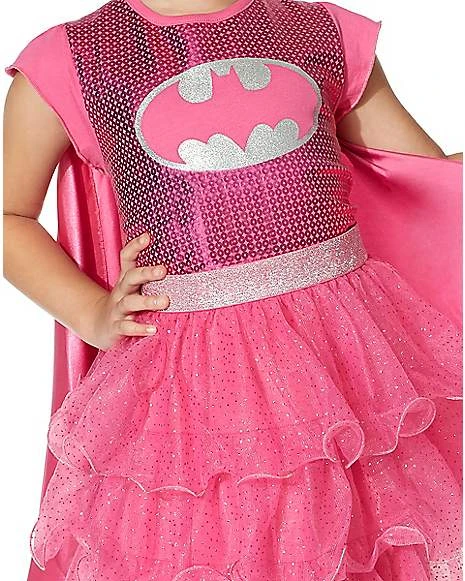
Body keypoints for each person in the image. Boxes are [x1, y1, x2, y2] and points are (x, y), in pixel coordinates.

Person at [3, 0, 463, 579]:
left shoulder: (317, 29)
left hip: (344, 358)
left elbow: (429, 182)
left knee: (361, 538)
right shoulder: (73, 58)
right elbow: (10, 217)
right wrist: (91, 311)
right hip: (194, 375)